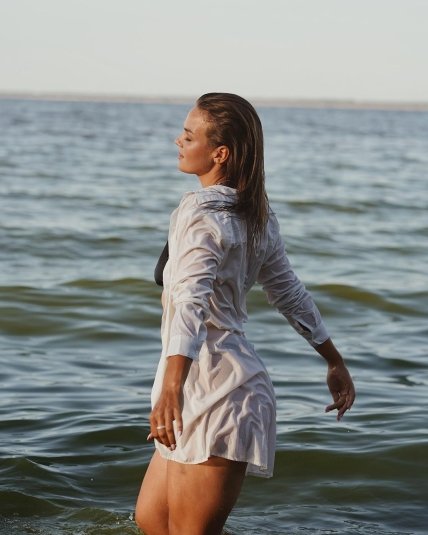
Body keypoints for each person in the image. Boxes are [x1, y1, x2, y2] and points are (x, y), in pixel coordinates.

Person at [135, 93, 355, 535]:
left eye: (189, 136)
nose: (178, 141)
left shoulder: (203, 213)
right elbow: (291, 294)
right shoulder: (255, 215)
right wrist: (333, 360)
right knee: (152, 522)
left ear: (220, 153)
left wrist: (171, 387)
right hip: (195, 384)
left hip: (219, 391)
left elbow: (194, 300)